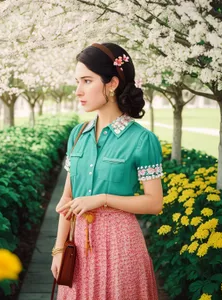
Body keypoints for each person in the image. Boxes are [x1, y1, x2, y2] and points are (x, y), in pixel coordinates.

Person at [51, 42, 163, 300]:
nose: (78, 90)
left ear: (111, 84)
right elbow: (66, 200)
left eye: (87, 81)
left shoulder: (142, 140)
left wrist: (102, 199)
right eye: (77, 81)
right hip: (77, 248)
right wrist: (58, 251)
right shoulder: (77, 135)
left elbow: (154, 203)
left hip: (121, 247)